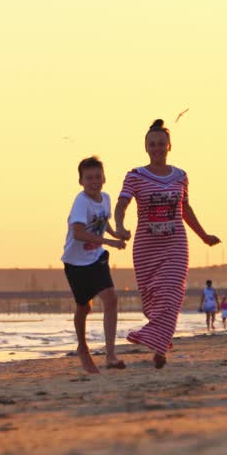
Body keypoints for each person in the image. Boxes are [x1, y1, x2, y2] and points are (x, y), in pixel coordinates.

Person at [114, 119, 221, 369]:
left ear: (169, 146)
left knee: (172, 294)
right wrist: (118, 226)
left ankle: (157, 343)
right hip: (146, 247)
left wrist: (203, 236)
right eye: (152, 144)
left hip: (175, 244)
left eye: (161, 144)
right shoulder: (135, 176)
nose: (157, 148)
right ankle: (160, 346)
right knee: (152, 300)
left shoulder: (180, 176)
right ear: (146, 147)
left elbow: (185, 208)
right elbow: (121, 204)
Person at [61, 156, 127, 373]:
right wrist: (110, 241)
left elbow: (103, 220)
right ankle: (83, 347)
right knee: (84, 307)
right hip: (76, 263)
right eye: (88, 178)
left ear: (104, 178)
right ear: (81, 181)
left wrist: (115, 232)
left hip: (96, 258)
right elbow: (78, 232)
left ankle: (110, 355)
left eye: (97, 176)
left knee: (111, 298)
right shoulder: (81, 202)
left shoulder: (105, 198)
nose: (94, 181)